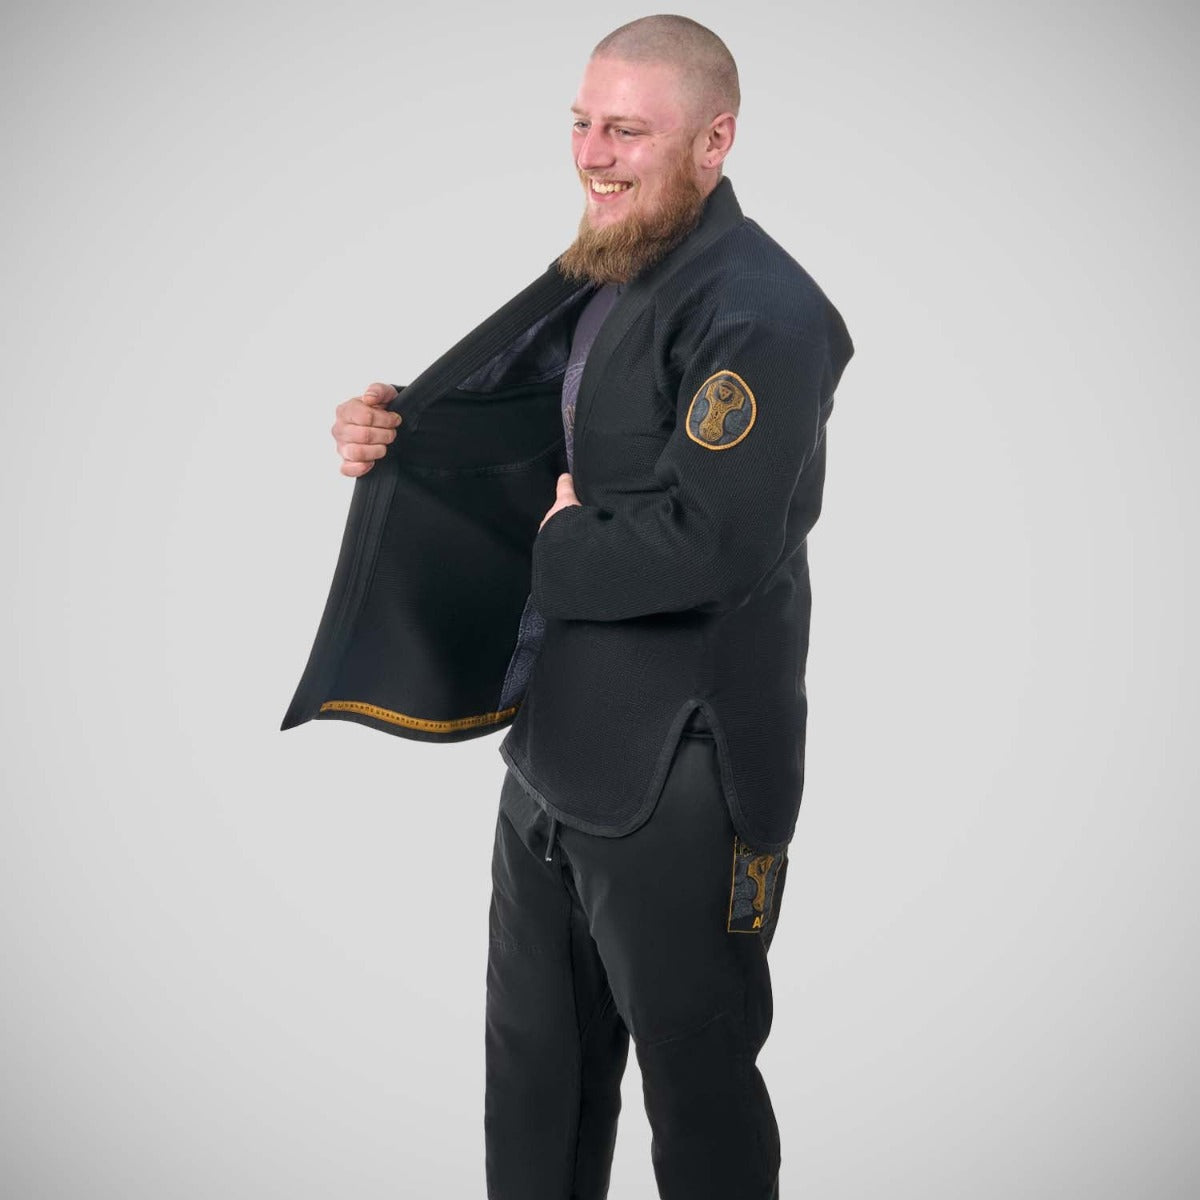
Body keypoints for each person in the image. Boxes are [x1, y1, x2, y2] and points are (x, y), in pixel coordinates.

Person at [286, 14, 853, 1199]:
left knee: (698, 1096)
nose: (593, 154)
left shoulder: (762, 311)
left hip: (685, 772)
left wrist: (558, 543)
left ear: (715, 141)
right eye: (583, 124)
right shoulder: (620, 266)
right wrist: (402, 430)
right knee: (534, 1085)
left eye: (627, 131)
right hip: (553, 757)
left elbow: (716, 542)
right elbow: (564, 432)